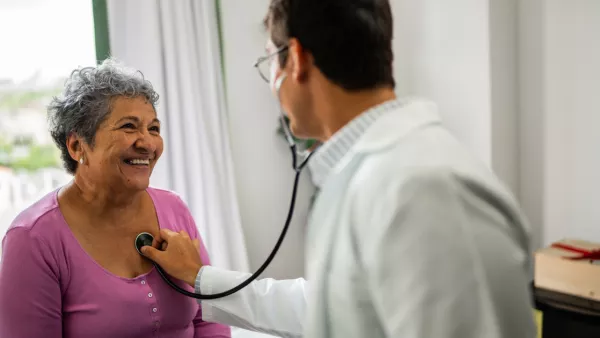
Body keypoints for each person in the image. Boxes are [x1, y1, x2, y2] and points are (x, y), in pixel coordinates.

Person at [141, 0, 537, 337]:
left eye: (268, 63)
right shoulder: (363, 176)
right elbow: (334, 309)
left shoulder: (427, 189)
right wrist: (201, 278)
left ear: (294, 60)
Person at [0, 59, 231, 338]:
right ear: (77, 146)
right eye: (129, 127)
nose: (147, 143)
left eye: (154, 129)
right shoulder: (33, 239)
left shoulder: (174, 209)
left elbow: (209, 319)